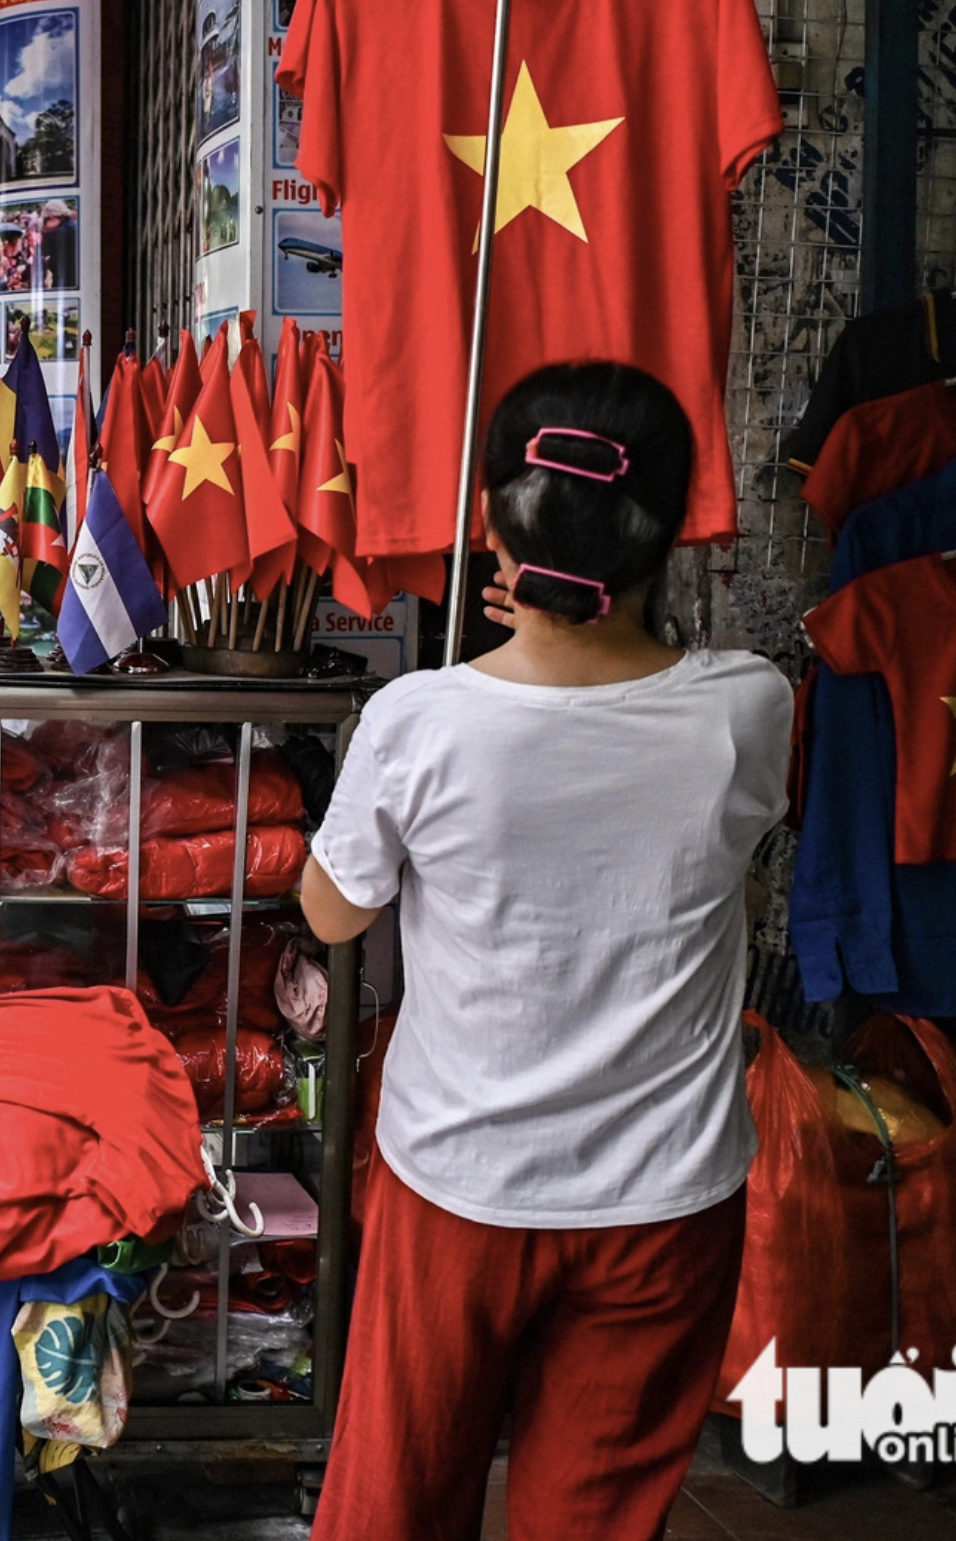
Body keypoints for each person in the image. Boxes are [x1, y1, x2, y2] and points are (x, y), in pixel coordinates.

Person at [298, 361, 793, 1541]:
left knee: (396, 1505)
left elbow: (331, 912)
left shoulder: (421, 719)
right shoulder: (748, 709)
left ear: (490, 525)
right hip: (664, 1196)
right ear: (674, 531)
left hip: (458, 1183)